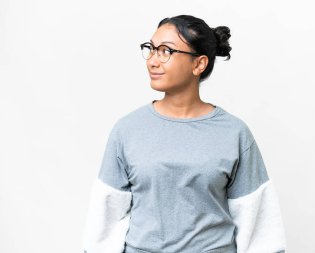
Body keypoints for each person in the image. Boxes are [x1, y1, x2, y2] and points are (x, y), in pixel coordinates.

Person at [82, 14, 287, 253]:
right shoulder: (127, 130)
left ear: (198, 64)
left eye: (166, 51)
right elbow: (105, 223)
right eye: (151, 49)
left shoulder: (234, 134)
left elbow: (260, 229)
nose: (152, 61)